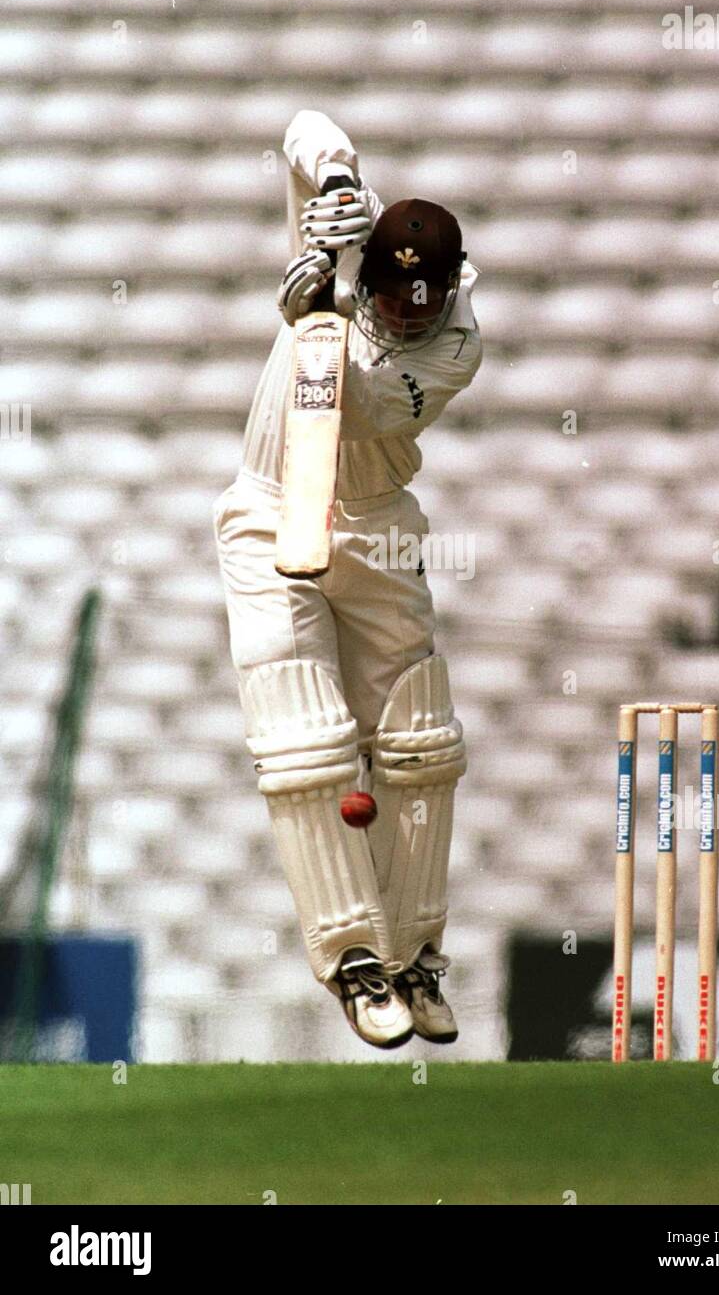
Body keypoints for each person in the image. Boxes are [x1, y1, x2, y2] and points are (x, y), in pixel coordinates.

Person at [214, 109, 483, 1049]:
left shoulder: (456, 346)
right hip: (268, 513)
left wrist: (312, 317)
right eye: (396, 295)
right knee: (301, 745)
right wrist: (332, 190)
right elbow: (303, 124)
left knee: (418, 742)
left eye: (427, 298)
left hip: (372, 530)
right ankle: (354, 958)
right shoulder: (342, 251)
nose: (410, 312)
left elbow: (355, 407)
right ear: (372, 267)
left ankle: (415, 955)